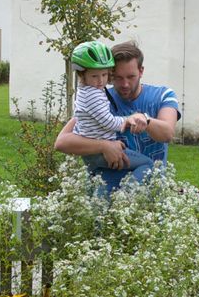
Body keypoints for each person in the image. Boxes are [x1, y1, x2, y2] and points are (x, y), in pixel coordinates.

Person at [53, 39, 180, 192]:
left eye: (131, 76)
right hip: (107, 190)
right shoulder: (99, 99)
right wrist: (104, 146)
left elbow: (167, 133)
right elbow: (62, 142)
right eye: (118, 78)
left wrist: (145, 119)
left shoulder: (162, 95)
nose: (125, 84)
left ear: (141, 71)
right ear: (111, 75)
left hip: (153, 193)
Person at [66, 39, 152, 185]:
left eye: (104, 75)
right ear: (82, 75)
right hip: (99, 154)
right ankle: (128, 194)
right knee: (149, 165)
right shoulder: (93, 95)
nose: (100, 81)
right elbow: (108, 122)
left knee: (102, 184)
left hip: (90, 154)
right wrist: (128, 119)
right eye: (95, 76)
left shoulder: (85, 91)